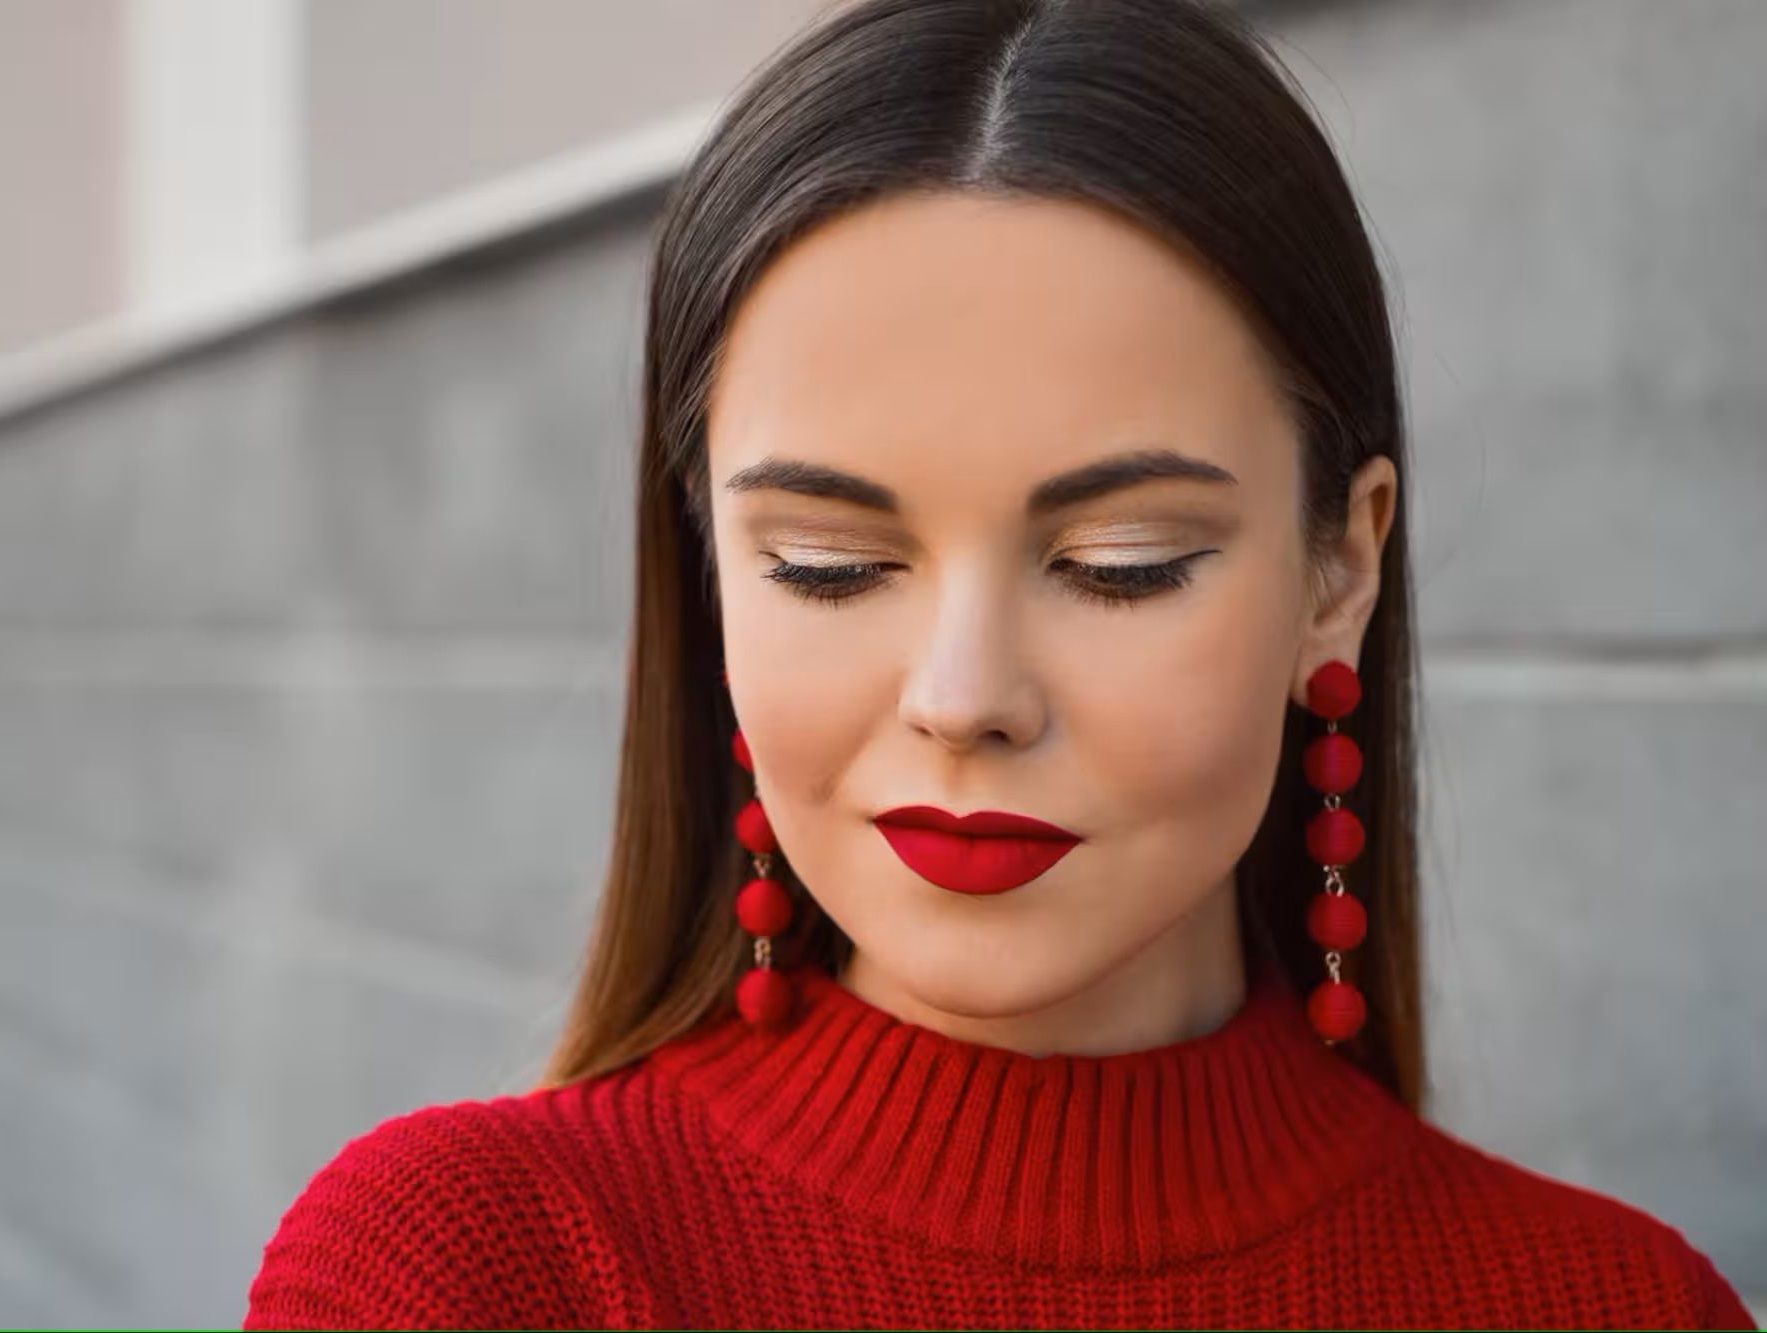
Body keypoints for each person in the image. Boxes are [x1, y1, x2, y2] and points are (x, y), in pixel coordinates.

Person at [243, 0, 1755, 1326]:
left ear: (1338, 569)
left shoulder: (1616, 1305)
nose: (964, 696)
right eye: (830, 566)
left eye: (1120, 564)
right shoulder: (463, 1272)